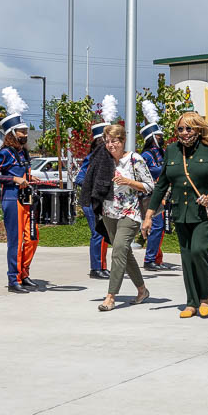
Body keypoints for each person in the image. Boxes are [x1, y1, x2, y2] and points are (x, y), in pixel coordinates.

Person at [142, 112, 208, 319]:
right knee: (187, 258)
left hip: (203, 213)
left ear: (198, 129)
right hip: (181, 212)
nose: (184, 132)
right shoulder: (172, 151)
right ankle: (192, 302)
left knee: (199, 251)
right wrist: (149, 216)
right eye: (180, 129)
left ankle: (206, 296)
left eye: (189, 128)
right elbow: (161, 184)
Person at [81, 122, 153, 312]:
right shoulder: (103, 158)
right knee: (124, 253)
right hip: (108, 213)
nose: (111, 145)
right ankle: (142, 290)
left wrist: (128, 181)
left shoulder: (134, 159)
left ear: (123, 141)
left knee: (118, 251)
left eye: (115, 141)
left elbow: (149, 186)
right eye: (108, 141)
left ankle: (111, 296)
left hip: (130, 213)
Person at [0, 87, 38, 294]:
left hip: (26, 199)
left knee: (32, 238)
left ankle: (23, 272)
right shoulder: (6, 152)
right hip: (11, 199)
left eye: (26, 131)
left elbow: (22, 174)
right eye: (22, 132)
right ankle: (13, 279)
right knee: (16, 241)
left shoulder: (23, 153)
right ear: (12, 134)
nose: (25, 134)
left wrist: (28, 178)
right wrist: (14, 179)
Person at [74, 123, 110, 279]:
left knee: (104, 233)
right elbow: (80, 178)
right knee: (97, 233)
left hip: (100, 201)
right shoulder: (92, 158)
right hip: (90, 201)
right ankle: (95, 268)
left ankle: (102, 265)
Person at [140, 100, 170, 271]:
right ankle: (149, 259)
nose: (161, 137)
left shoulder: (162, 152)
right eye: (157, 136)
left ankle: (157, 258)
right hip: (150, 194)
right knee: (156, 226)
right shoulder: (146, 155)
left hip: (162, 193)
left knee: (161, 228)